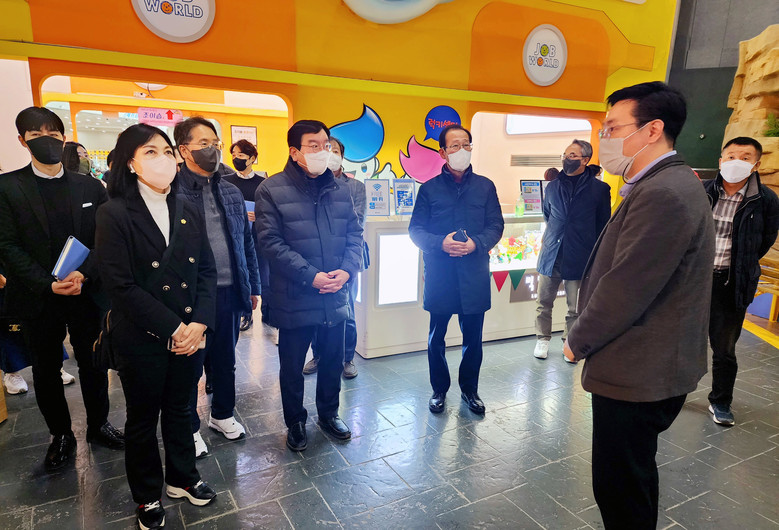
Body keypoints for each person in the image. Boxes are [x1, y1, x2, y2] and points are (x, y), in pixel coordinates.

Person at [563, 82, 715, 529]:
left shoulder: (664, 192)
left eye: (613, 127)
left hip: (640, 368)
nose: (604, 138)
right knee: (631, 477)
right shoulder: (662, 183)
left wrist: (577, 340)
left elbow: (626, 286)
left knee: (620, 486)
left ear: (652, 130)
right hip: (646, 363)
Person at [96, 123, 218, 530]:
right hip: (142, 335)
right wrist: (175, 328)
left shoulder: (187, 207)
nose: (163, 159)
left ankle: (182, 477)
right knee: (143, 418)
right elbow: (120, 286)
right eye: (150, 152)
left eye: (167, 151)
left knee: (181, 409)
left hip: (189, 334)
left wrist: (199, 323)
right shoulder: (114, 213)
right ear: (130, 163)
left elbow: (206, 271)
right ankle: (147, 494)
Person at [0, 107, 123, 471]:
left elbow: (105, 239)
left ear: (64, 137)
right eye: (36, 135)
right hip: (38, 296)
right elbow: (7, 246)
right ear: (22, 140)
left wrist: (83, 273)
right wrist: (47, 284)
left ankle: (99, 424)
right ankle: (61, 434)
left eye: (53, 133)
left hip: (86, 293)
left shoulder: (90, 186)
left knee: (94, 362)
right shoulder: (8, 188)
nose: (47, 140)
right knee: (46, 368)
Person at [254, 120, 362, 451]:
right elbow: (270, 242)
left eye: (326, 145)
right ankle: (296, 422)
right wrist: (311, 275)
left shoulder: (341, 189)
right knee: (292, 366)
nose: (322, 151)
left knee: (332, 360)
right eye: (313, 145)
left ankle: (329, 414)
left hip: (335, 293)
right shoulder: (271, 190)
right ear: (294, 152)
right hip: (295, 294)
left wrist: (347, 270)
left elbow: (355, 235)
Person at [174, 116, 260, 458]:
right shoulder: (172, 191)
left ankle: (222, 414)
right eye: (203, 144)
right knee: (189, 366)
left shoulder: (230, 191)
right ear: (184, 150)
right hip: (191, 296)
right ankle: (188, 427)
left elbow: (246, 243)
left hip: (229, 290)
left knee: (225, 360)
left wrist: (252, 285)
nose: (212, 150)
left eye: (215, 143)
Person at [408, 124, 504, 415]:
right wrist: (441, 243)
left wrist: (477, 243)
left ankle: (470, 390)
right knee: (436, 338)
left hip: (474, 273)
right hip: (441, 274)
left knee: (473, 339)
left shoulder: (485, 186)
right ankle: (439, 390)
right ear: (443, 152)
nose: (461, 150)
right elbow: (416, 230)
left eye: (466, 144)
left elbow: (496, 226)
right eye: (454, 146)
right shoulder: (429, 189)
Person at [703, 137, 779, 426]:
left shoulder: (766, 200)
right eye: (731, 155)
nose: (736, 161)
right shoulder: (702, 191)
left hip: (731, 284)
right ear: (721, 160)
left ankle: (721, 401)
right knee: (681, 341)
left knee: (724, 349)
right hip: (695, 281)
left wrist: (741, 264)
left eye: (745, 157)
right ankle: (671, 392)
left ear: (756, 165)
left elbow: (765, 240)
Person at [534, 140, 611, 361]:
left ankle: (570, 343)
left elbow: (603, 225)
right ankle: (542, 339)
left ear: (585, 160)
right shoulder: (552, 187)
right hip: (552, 253)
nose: (567, 159)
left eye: (572, 155)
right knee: (543, 302)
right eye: (565, 155)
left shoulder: (599, 189)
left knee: (575, 306)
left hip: (580, 255)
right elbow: (548, 215)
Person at [302, 136, 367, 379]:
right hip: (317, 261)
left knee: (346, 310)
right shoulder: (309, 184)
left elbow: (357, 223)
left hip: (346, 260)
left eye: (334, 150)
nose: (329, 154)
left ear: (342, 155)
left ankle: (347, 358)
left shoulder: (356, 187)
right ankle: (318, 355)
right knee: (317, 311)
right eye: (323, 149)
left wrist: (345, 265)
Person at [224, 139, 267, 332]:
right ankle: (244, 314)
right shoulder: (226, 182)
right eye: (234, 155)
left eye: (241, 155)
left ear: (252, 158)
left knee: (257, 274)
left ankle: (263, 312)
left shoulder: (263, 184)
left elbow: (270, 212)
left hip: (256, 237)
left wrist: (259, 216)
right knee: (239, 275)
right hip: (233, 236)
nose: (236, 159)